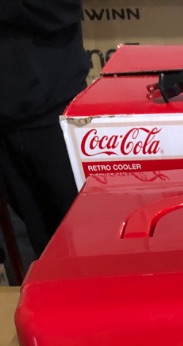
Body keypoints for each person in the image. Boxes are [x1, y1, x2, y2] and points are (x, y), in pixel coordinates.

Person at [0, 2, 89, 257]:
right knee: (38, 246)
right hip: (6, 124)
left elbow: (60, 8)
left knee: (83, 239)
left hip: (54, 112)